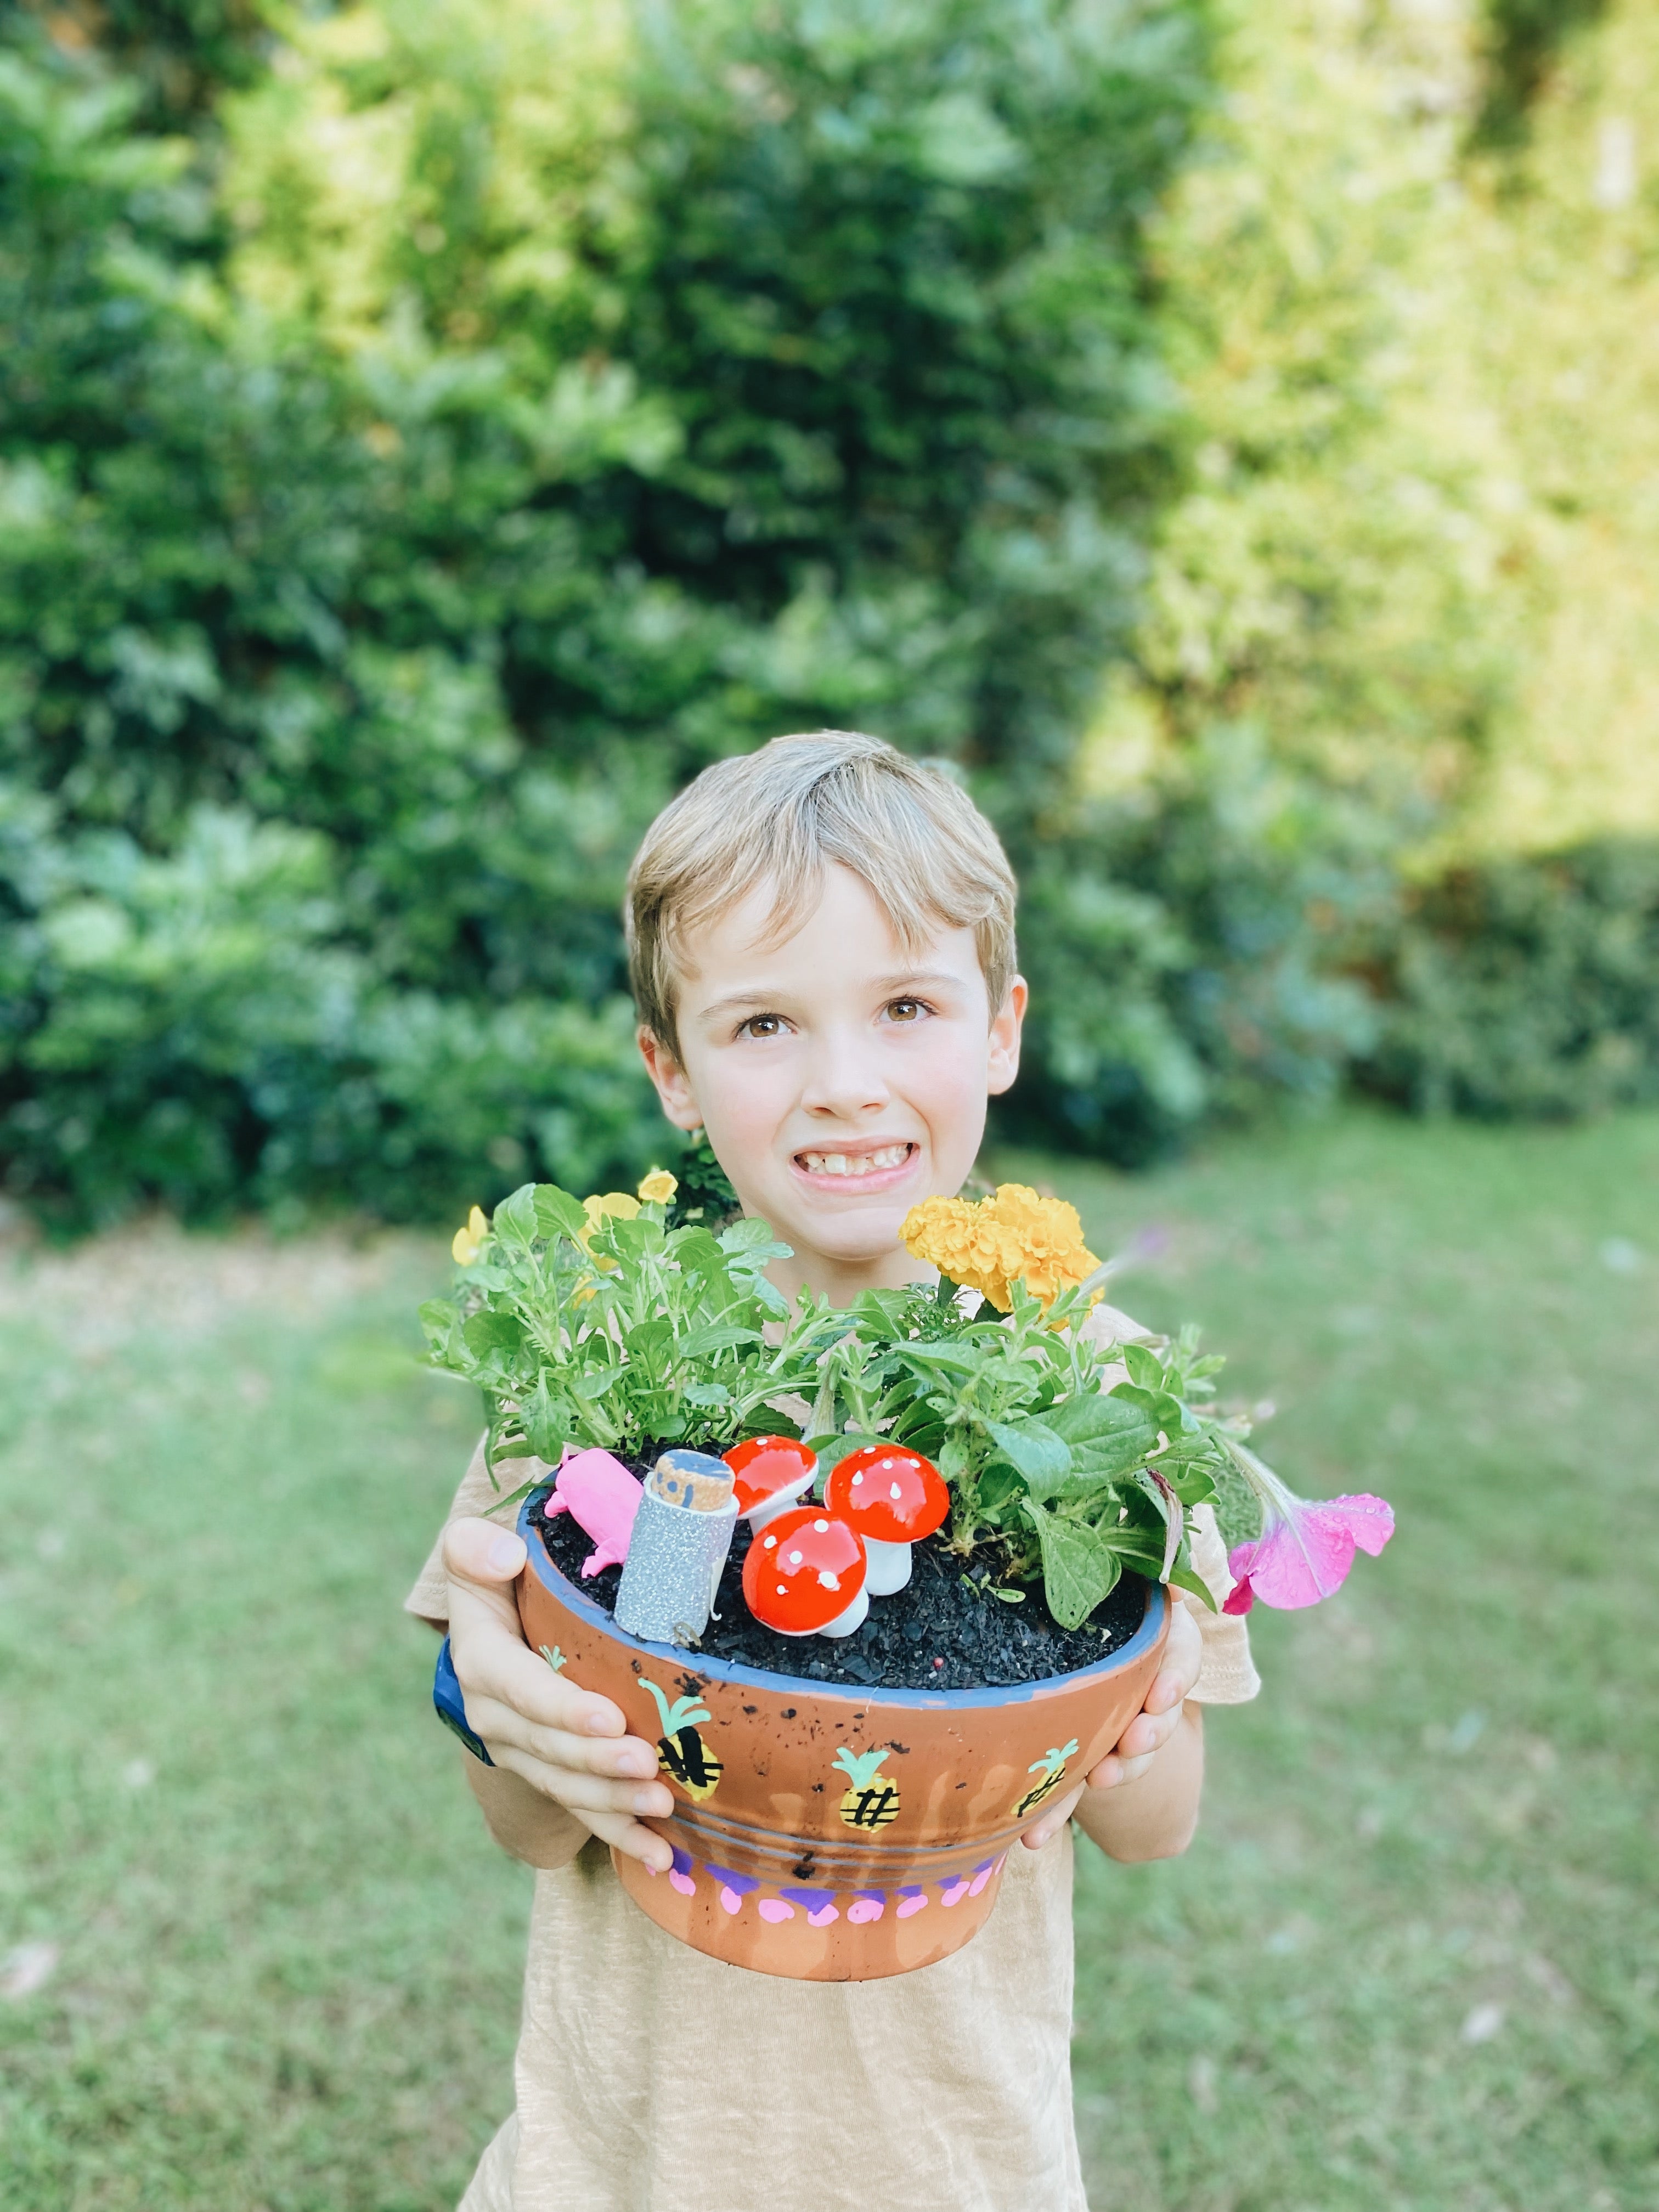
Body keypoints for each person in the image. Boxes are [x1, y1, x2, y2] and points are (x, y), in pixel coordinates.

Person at [405, 730, 1260, 2212]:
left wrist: (1143, 1702)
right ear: (672, 1073)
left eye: (907, 1006)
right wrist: (500, 1709)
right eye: (764, 1027)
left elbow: (1158, 1828)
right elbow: (531, 1831)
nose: (845, 1085)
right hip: (620, 2169)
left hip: (956, 2165)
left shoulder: (1093, 1393)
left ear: (1001, 1028)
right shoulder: (600, 1375)